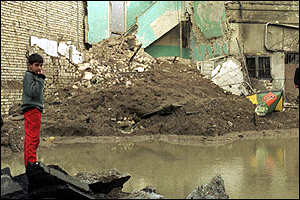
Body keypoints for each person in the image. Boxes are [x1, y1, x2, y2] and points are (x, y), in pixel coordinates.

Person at [21, 53, 46, 173]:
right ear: (30, 66)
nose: (39, 68)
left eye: (41, 65)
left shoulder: (32, 76)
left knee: (31, 138)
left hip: (33, 109)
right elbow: (33, 92)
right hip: (32, 109)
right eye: (36, 65)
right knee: (33, 138)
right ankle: (31, 163)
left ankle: (29, 163)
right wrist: (41, 80)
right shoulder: (29, 76)